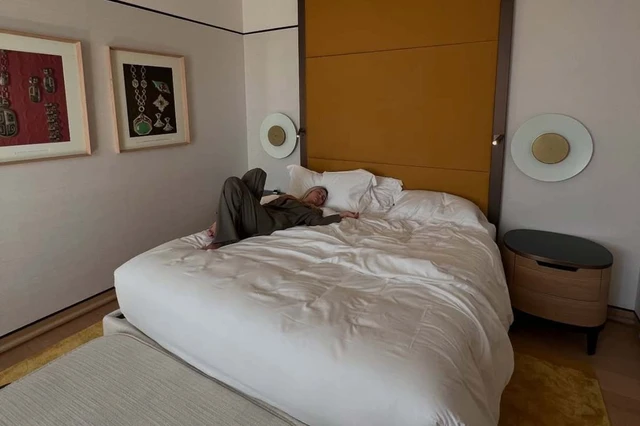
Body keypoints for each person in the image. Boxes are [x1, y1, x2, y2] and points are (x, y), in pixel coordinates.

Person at [204, 168, 359, 250]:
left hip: (267, 223)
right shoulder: (287, 197)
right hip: (260, 214)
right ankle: (224, 223)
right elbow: (265, 205)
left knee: (233, 182)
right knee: (257, 174)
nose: (321, 197)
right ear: (310, 191)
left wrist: (341, 215)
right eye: (319, 192)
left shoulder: (312, 211)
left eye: (323, 197)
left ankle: (223, 240)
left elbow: (318, 221)